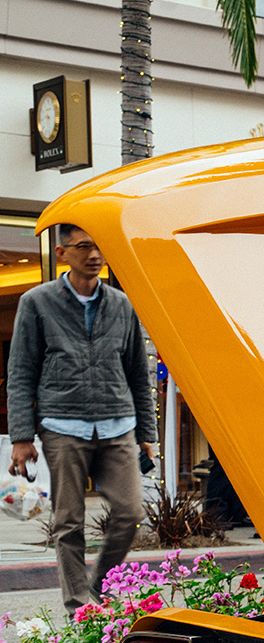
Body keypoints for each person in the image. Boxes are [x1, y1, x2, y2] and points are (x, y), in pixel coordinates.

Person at [7, 225, 156, 615]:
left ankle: (99, 587)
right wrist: (21, 436)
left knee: (130, 512)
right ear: (62, 254)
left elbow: (138, 372)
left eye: (99, 247)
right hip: (63, 426)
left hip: (118, 424)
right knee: (68, 521)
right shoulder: (37, 302)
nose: (94, 255)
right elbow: (22, 370)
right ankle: (79, 605)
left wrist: (146, 433)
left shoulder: (122, 304)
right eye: (84, 247)